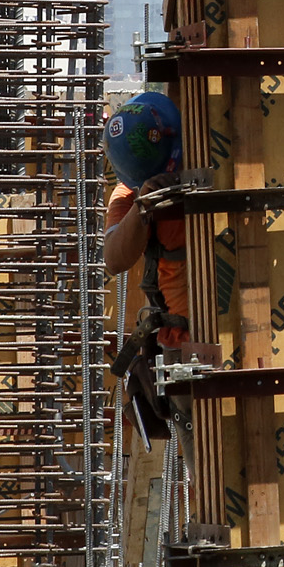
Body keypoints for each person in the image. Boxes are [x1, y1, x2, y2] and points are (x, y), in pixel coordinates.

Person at [103, 90, 188, 440]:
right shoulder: (129, 195)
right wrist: (145, 207)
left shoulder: (207, 157)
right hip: (188, 343)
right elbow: (113, 257)